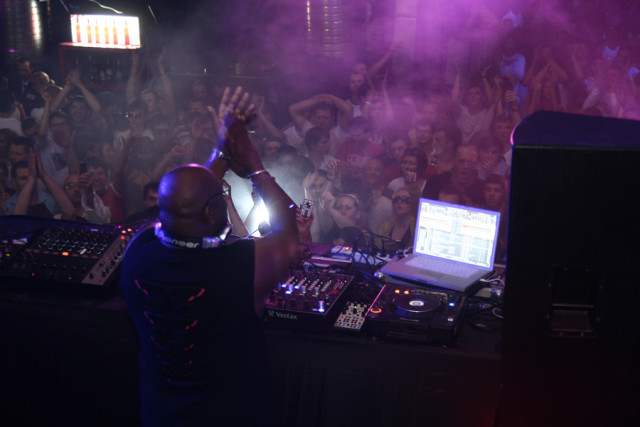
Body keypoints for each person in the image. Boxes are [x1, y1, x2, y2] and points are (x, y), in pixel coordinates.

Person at [120, 87, 299, 426]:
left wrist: (221, 151)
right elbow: (289, 236)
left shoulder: (137, 252)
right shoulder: (238, 267)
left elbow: (188, 198)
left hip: (160, 416)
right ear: (211, 211)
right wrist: (254, 166)